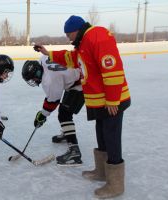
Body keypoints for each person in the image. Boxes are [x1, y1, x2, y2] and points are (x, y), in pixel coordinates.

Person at [34, 15, 131, 199]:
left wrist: (112, 99)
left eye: (69, 35)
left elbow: (112, 68)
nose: (68, 39)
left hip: (112, 101)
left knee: (111, 138)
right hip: (99, 100)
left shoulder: (98, 36)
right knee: (101, 134)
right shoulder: (83, 43)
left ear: (77, 30)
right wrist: (49, 54)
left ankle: (115, 184)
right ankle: (102, 172)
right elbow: (71, 58)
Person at [21, 55, 84, 166]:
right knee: (65, 109)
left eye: (33, 78)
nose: (33, 81)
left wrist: (42, 115)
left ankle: (75, 152)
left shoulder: (49, 81)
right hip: (76, 75)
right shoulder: (43, 59)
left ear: (37, 74)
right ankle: (67, 133)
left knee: (64, 114)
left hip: (82, 82)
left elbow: (52, 101)